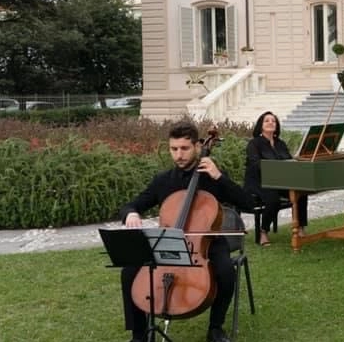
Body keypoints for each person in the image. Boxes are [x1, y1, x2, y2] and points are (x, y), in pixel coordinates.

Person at [118, 121, 254, 342]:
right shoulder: (163, 180)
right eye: (174, 149)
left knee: (226, 271)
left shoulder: (212, 176)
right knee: (129, 271)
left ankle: (215, 328)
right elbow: (132, 205)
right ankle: (139, 334)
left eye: (184, 148)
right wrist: (131, 214)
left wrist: (220, 177)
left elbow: (248, 203)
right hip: (170, 242)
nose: (179, 154)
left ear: (197, 147)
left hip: (207, 244)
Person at [243, 111, 308, 246]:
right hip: (258, 182)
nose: (271, 123)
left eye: (273, 121)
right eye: (267, 121)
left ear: (277, 125)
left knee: (301, 192)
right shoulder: (254, 144)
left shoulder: (280, 143)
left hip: (279, 181)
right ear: (261, 125)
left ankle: (300, 227)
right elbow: (255, 164)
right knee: (273, 199)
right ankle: (263, 232)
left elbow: (288, 160)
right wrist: (275, 167)